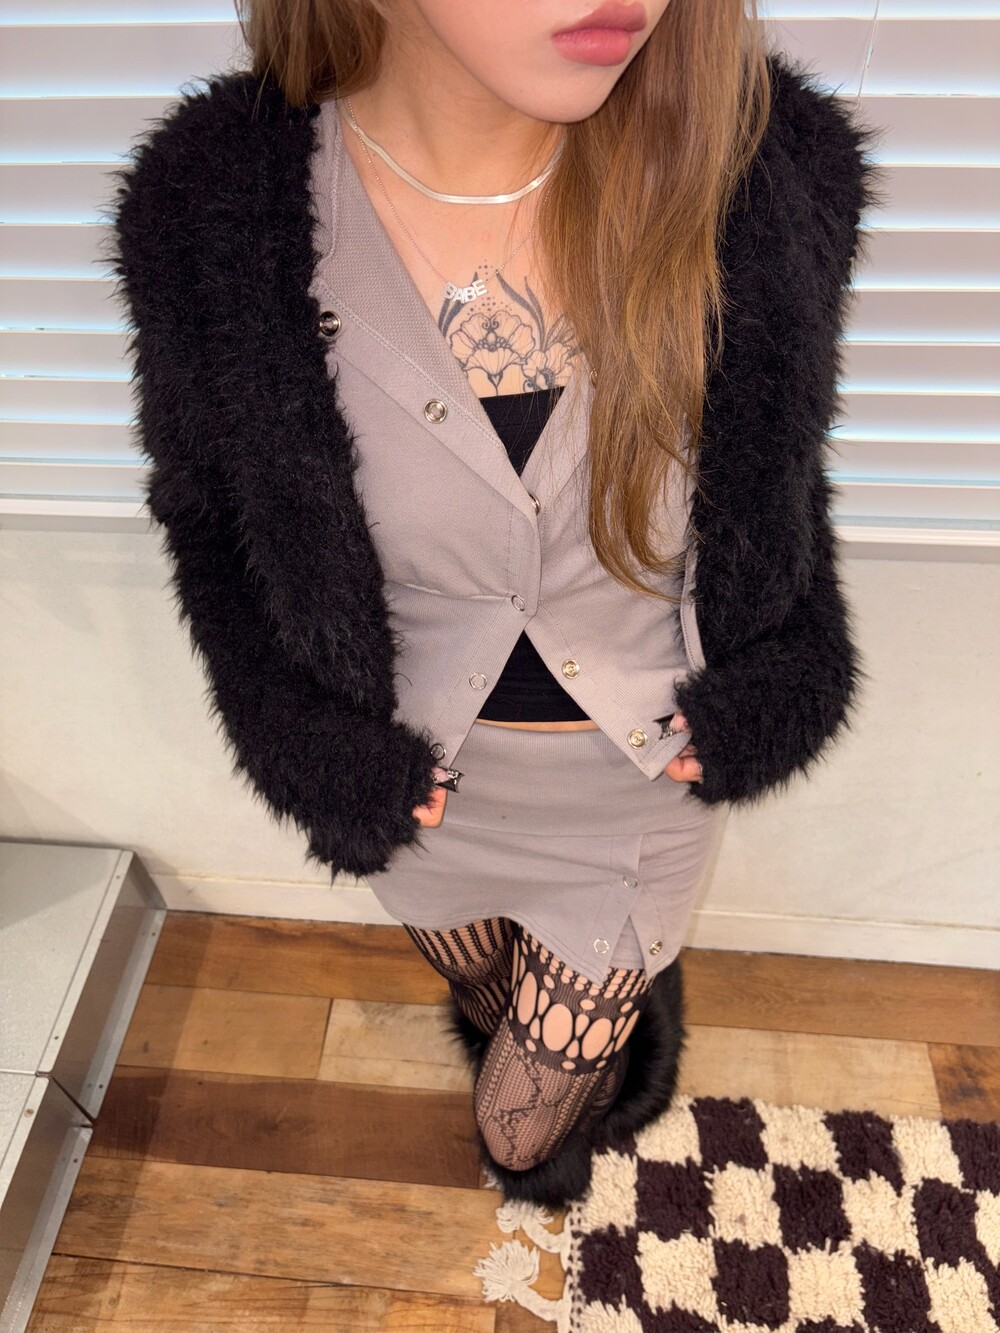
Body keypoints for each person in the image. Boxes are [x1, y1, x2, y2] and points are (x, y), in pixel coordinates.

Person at [106, 0, 880, 1209]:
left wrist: (791, 673)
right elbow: (212, 517)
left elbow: (780, 478)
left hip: (633, 781)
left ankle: (608, 1041)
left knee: (519, 1133)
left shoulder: (764, 169)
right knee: (484, 993)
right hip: (418, 777)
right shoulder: (213, 202)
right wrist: (296, 739)